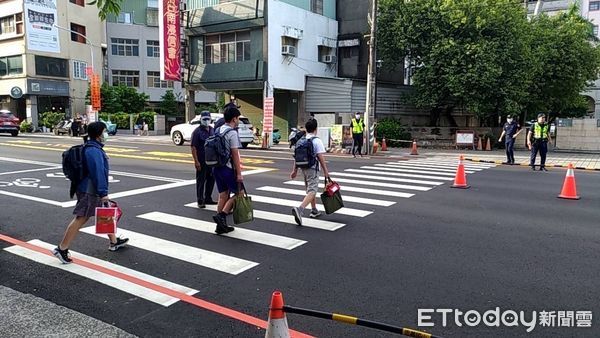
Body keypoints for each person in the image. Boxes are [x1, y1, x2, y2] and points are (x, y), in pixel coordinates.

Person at [52, 122, 129, 264]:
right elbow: (98, 173)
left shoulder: (92, 147)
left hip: (88, 189)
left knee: (104, 212)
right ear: (99, 134)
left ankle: (113, 241)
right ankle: (61, 248)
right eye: (105, 131)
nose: (106, 134)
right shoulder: (94, 151)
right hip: (90, 190)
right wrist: (103, 192)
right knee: (81, 218)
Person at [290, 118, 330, 226]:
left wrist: (294, 171)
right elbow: (320, 157)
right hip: (313, 168)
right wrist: (326, 171)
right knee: (312, 190)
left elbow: (296, 157)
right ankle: (300, 209)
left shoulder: (301, 140)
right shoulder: (316, 141)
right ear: (316, 129)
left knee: (310, 190)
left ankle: (314, 210)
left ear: (306, 129)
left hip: (303, 168)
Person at [212, 106, 244, 234]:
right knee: (239, 193)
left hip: (216, 167)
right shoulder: (232, 133)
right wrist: (239, 173)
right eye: (238, 118)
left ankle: (220, 226)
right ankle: (222, 216)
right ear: (234, 119)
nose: (238, 121)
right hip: (228, 168)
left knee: (223, 195)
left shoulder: (218, 129)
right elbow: (235, 154)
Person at [191, 111, 216, 208]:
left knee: (211, 179)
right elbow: (193, 147)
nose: (206, 121)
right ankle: (200, 200)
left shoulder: (212, 129)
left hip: (212, 160)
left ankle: (208, 198)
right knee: (201, 180)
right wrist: (196, 161)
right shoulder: (197, 132)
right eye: (204, 119)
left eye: (208, 119)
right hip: (202, 160)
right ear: (200, 120)